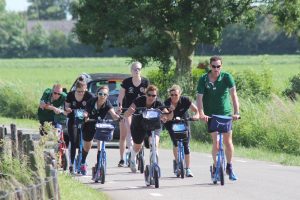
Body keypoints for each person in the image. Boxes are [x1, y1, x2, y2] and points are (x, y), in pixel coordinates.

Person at [196, 56, 240, 181]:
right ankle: (216, 166)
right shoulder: (203, 79)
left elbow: (233, 95)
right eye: (214, 66)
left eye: (218, 66)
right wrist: (201, 113)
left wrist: (236, 112)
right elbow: (199, 97)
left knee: (228, 142)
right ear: (210, 66)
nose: (216, 69)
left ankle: (229, 167)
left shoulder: (226, 77)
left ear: (221, 66)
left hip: (225, 114)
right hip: (211, 115)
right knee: (216, 142)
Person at [124, 85, 173, 173]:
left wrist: (168, 114)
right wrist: (129, 111)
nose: (151, 97)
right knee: (137, 146)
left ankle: (154, 161)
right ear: (146, 95)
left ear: (156, 96)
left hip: (154, 125)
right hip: (139, 125)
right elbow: (126, 114)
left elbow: (167, 115)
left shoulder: (158, 103)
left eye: (153, 95)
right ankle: (133, 157)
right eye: (149, 95)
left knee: (154, 143)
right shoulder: (139, 100)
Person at [82, 86, 120, 176]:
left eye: (105, 94)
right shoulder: (91, 102)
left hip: (100, 125)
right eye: (100, 94)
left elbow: (113, 114)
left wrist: (118, 117)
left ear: (107, 96)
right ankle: (83, 162)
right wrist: (85, 116)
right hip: (89, 124)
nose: (102, 96)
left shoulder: (107, 104)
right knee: (88, 146)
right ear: (97, 94)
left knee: (101, 144)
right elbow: (86, 112)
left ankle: (99, 166)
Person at [117, 61, 149, 167]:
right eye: (134, 69)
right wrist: (119, 105)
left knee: (141, 132)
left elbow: (149, 97)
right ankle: (122, 159)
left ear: (141, 70)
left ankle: (138, 153)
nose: (136, 71)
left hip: (141, 110)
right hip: (127, 110)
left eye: (138, 69)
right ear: (131, 71)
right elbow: (121, 96)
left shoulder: (145, 82)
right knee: (125, 134)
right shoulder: (126, 82)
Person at [164, 84, 199, 177]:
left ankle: (188, 169)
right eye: (172, 95)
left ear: (180, 94)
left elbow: (196, 110)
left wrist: (196, 116)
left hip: (184, 122)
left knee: (186, 146)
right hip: (171, 123)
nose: (174, 97)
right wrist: (171, 110)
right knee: (175, 143)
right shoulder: (167, 103)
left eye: (176, 94)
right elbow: (168, 117)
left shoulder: (185, 100)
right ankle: (178, 163)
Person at [65, 80, 94, 174]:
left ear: (85, 89)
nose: (81, 93)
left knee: (85, 142)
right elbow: (66, 108)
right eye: (78, 91)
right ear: (75, 90)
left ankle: (82, 162)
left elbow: (93, 109)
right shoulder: (70, 95)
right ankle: (71, 164)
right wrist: (68, 110)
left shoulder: (90, 96)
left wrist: (88, 115)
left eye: (82, 91)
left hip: (85, 120)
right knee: (73, 141)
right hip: (73, 119)